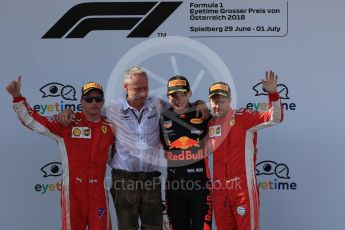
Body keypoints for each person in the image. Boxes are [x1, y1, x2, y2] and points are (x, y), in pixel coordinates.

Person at [57, 67, 209, 230]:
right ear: (125, 87)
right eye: (137, 89)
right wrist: (69, 110)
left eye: (145, 88)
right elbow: (91, 112)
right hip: (124, 179)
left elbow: (181, 106)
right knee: (127, 228)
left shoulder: (157, 105)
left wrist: (199, 103)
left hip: (151, 179)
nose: (143, 93)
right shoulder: (112, 109)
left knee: (153, 227)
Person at [6, 77, 114, 230]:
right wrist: (17, 97)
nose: (94, 102)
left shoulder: (110, 128)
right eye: (89, 99)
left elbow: (119, 156)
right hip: (73, 193)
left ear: (103, 102)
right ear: (81, 102)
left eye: (98, 99)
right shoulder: (67, 123)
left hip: (98, 193)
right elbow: (33, 121)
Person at [207, 70, 284, 230]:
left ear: (229, 100)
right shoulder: (210, 125)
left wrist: (273, 94)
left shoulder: (244, 117)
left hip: (243, 190)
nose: (217, 105)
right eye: (214, 101)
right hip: (220, 192)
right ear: (210, 102)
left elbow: (275, 117)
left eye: (222, 100)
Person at [159, 75, 212, 230]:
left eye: (182, 94)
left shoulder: (203, 114)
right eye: (173, 95)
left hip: (200, 188)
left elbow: (224, 124)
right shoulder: (162, 118)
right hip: (175, 189)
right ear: (167, 96)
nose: (178, 99)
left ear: (189, 93)